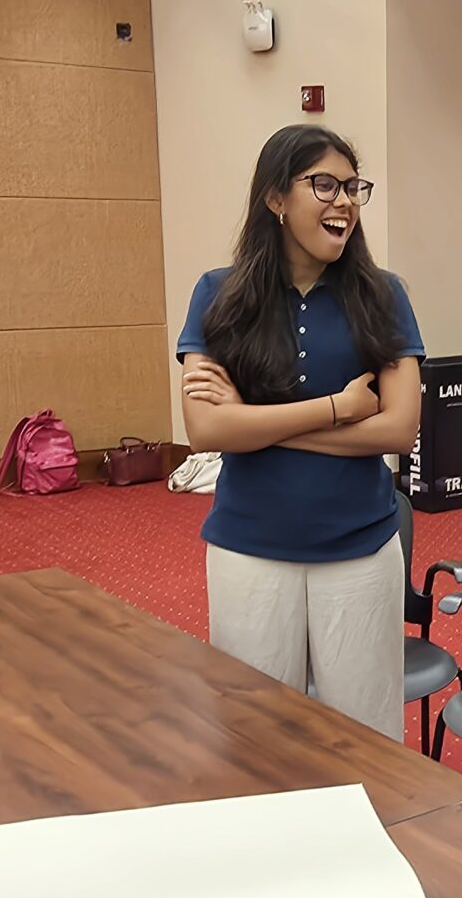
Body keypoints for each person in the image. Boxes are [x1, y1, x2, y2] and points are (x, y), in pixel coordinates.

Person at [177, 125, 425, 740]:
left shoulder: (383, 295)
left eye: (352, 187)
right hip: (248, 548)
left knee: (365, 737)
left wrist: (255, 424)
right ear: (276, 199)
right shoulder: (220, 294)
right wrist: (339, 407)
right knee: (253, 735)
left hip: (361, 549)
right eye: (323, 184)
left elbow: (399, 428)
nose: (343, 200)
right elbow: (206, 428)